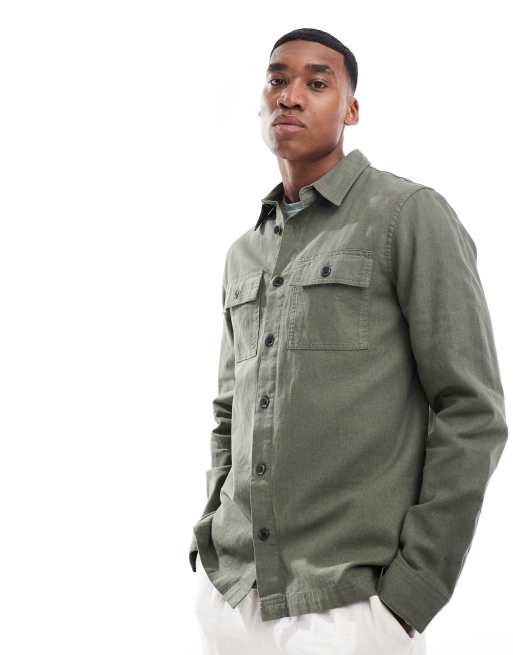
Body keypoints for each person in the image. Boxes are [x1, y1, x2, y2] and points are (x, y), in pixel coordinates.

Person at [188, 27, 508, 654]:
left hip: (347, 609)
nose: (290, 96)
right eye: (277, 80)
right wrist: (209, 533)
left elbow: (472, 410)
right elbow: (230, 410)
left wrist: (412, 594)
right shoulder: (244, 252)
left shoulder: (407, 215)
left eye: (317, 82)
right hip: (232, 596)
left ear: (351, 109)